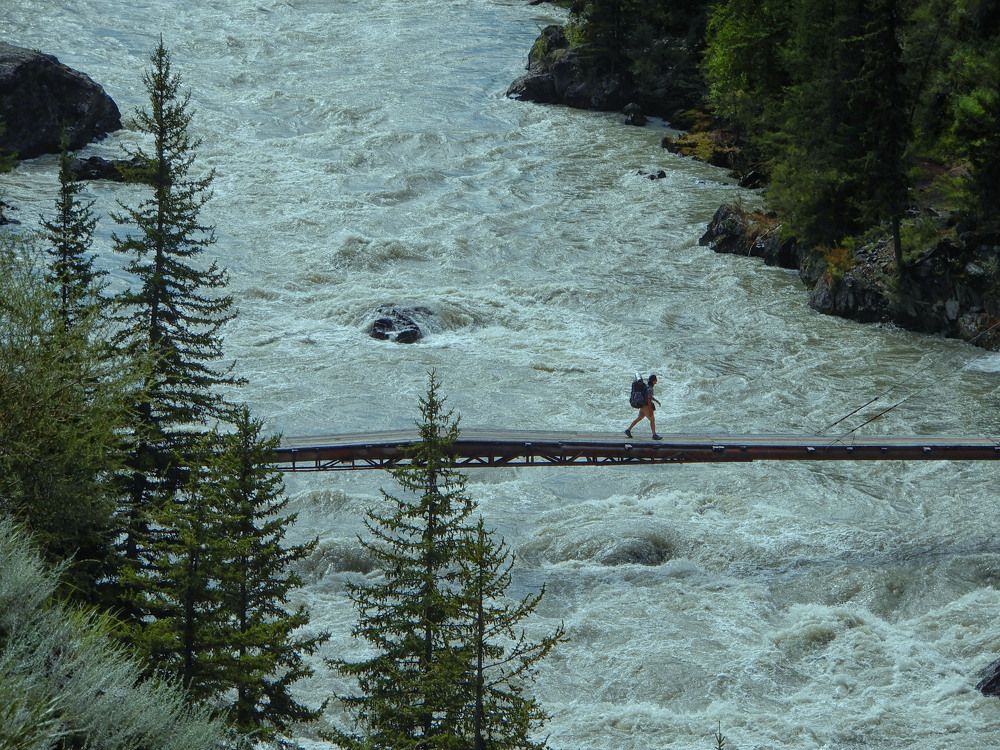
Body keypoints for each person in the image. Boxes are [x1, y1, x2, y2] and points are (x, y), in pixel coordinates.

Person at [625, 373, 661, 440]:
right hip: (646, 406)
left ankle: (628, 430)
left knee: (639, 418)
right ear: (653, 381)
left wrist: (656, 401)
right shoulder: (650, 388)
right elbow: (649, 399)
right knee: (652, 420)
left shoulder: (646, 386)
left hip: (642, 406)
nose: (657, 381)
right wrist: (650, 410)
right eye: (656, 379)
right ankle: (654, 435)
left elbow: (648, 396)